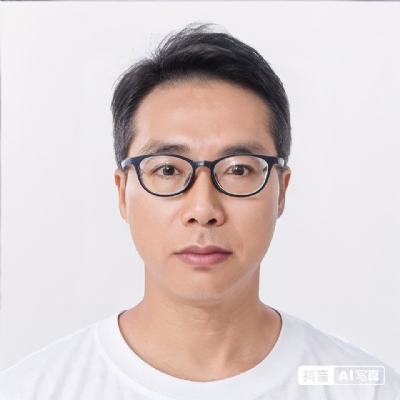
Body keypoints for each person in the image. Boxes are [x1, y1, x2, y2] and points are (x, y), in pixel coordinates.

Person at [0, 23, 399, 400]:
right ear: (123, 193)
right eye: (168, 170)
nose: (203, 210)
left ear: (281, 192)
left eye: (238, 170)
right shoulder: (31, 391)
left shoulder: (366, 390)